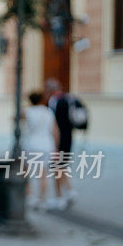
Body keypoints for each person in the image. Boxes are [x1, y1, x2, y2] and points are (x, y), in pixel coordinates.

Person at [21, 90, 59, 210]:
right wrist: (56, 147)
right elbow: (55, 130)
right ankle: (42, 200)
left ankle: (30, 196)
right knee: (43, 174)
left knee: (26, 172)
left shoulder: (28, 111)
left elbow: (16, 117)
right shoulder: (48, 112)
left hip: (31, 143)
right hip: (46, 144)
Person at [44, 78, 77, 208]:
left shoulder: (56, 101)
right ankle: (70, 191)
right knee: (61, 166)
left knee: (56, 167)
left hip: (58, 140)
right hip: (68, 138)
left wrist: (55, 145)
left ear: (50, 90)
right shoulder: (68, 99)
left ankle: (59, 197)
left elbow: (56, 126)